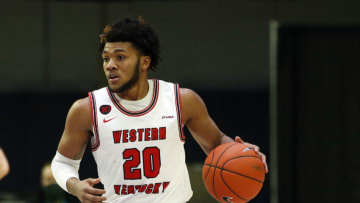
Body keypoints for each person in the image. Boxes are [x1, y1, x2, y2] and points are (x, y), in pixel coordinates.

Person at [51, 16, 268, 203]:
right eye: (106, 58)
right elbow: (62, 162)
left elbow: (217, 143)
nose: (110, 65)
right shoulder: (86, 109)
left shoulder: (181, 100)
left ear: (144, 62)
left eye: (120, 57)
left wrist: (242, 153)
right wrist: (75, 186)